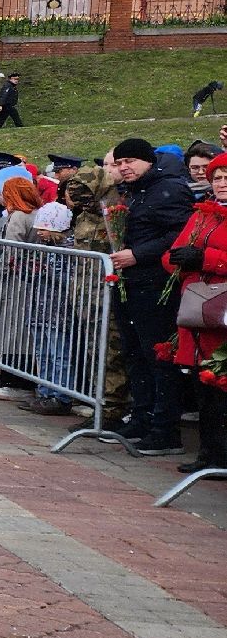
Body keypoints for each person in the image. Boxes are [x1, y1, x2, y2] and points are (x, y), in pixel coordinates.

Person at [108, 138, 195, 454]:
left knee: (158, 356)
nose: (123, 167)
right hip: (130, 282)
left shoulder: (168, 189)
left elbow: (181, 234)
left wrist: (139, 254)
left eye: (129, 160)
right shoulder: (134, 193)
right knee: (134, 353)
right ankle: (142, 417)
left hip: (155, 284)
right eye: (119, 162)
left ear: (148, 161)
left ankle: (164, 428)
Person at [160, 158, 227, 472]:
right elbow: (173, 253)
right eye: (217, 177)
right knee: (205, 386)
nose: (221, 182)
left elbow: (209, 257)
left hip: (222, 311)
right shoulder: (203, 215)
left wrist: (206, 259)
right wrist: (179, 261)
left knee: (220, 383)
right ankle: (210, 454)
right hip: (200, 307)